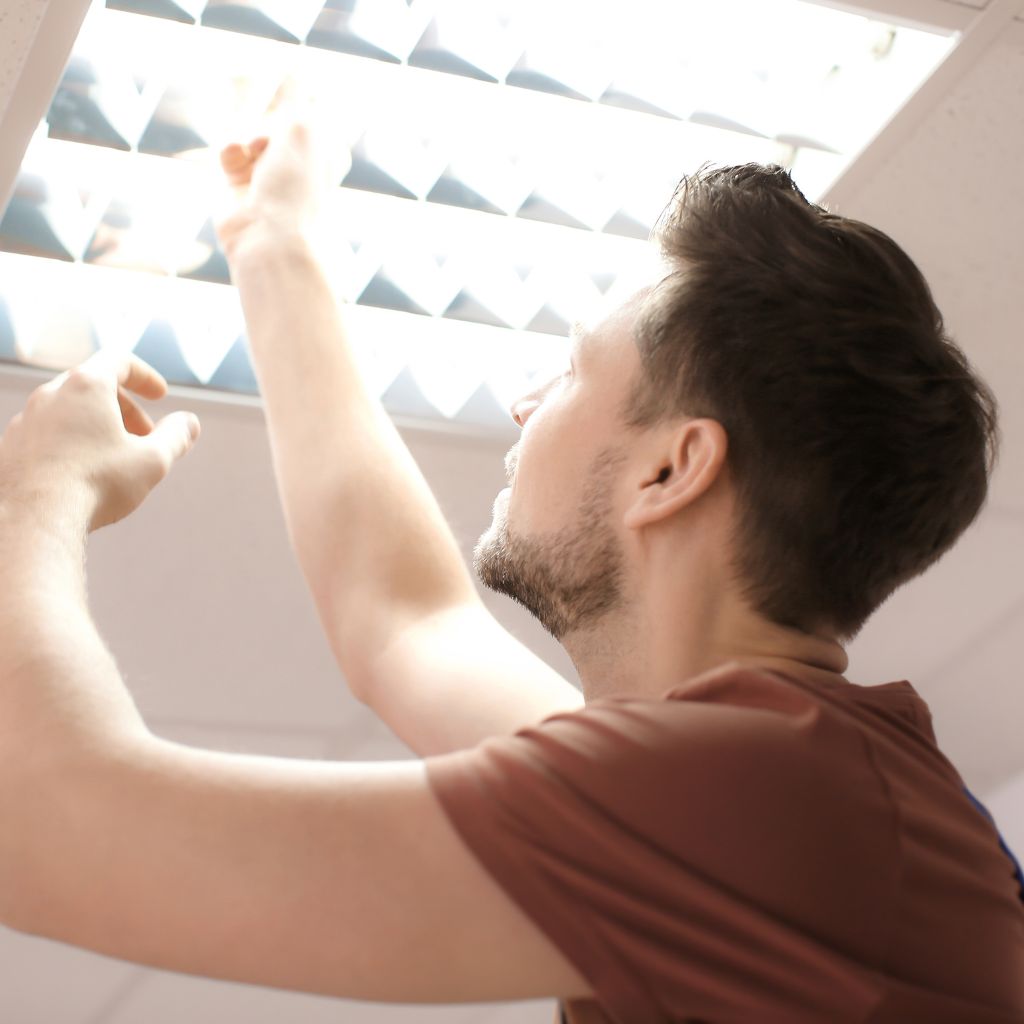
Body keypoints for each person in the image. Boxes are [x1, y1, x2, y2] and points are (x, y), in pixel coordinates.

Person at [0, 111, 1020, 1024]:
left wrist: (30, 494)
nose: (527, 403)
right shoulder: (777, 791)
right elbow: (400, 621)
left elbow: (44, 829)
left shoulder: (758, 792)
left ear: (672, 468)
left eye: (571, 368)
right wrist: (273, 246)